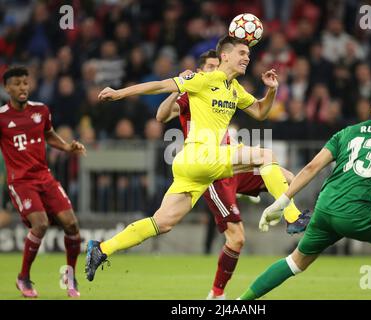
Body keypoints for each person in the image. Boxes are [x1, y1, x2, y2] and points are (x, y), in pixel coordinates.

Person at [86, 36, 311, 283]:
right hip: (199, 155)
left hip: (195, 167)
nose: (247, 57)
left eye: (248, 54)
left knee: (162, 222)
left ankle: (102, 248)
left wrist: (272, 90)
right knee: (265, 156)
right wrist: (119, 93)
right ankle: (292, 217)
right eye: (242, 52)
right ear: (225, 56)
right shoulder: (204, 79)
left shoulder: (234, 89)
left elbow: (259, 112)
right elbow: (160, 86)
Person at [239, 88, 371, 300]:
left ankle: (239, 303)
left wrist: (282, 201)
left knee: (294, 262)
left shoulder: (347, 132)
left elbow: (311, 168)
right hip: (355, 214)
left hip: (324, 208)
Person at [156, 50, 304, 299]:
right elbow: (161, 116)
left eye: (218, 65)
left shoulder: (227, 90)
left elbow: (259, 111)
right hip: (213, 171)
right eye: (211, 67)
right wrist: (177, 86)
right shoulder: (192, 93)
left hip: (233, 160)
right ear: (200, 71)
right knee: (236, 239)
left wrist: (271, 91)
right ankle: (216, 295)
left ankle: (296, 217)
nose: (216, 70)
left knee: (287, 175)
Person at [1, 67, 87, 298]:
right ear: (7, 87)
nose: (22, 88)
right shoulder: (1, 117)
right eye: (17, 84)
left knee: (71, 225)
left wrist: (68, 146)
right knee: (40, 224)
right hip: (21, 182)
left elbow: (48, 134)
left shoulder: (41, 110)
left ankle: (70, 275)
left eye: (25, 83)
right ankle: (23, 278)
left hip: (45, 177)